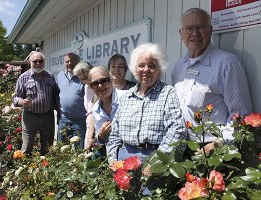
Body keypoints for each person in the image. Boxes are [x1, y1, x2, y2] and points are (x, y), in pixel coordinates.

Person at [172, 8, 252, 153]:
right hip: (181, 147)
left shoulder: (227, 63)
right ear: (181, 33)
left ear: (210, 30)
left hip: (212, 149)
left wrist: (217, 144)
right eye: (189, 28)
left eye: (201, 27)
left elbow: (240, 114)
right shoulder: (178, 67)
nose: (195, 33)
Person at [106, 42, 187, 164]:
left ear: (159, 69)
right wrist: (112, 160)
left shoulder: (167, 93)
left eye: (151, 65)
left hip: (154, 157)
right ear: (135, 69)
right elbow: (115, 133)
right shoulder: (127, 96)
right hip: (124, 159)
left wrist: (155, 163)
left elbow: (177, 130)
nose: (146, 70)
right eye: (141, 65)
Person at [13, 51, 60, 156]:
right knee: (27, 146)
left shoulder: (50, 76)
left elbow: (56, 94)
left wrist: (59, 110)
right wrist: (22, 102)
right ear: (30, 62)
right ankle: (25, 170)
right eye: (35, 61)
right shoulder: (23, 78)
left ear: (44, 62)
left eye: (41, 61)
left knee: (47, 146)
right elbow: (16, 97)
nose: (38, 63)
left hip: (47, 116)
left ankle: (45, 169)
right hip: (30, 116)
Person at [88, 66, 126, 148]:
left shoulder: (126, 97)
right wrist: (101, 136)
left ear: (111, 81)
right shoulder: (96, 109)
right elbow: (101, 140)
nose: (100, 86)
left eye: (104, 81)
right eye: (95, 83)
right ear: (91, 87)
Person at [56, 53, 86, 148]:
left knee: (79, 150)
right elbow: (56, 93)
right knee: (61, 149)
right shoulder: (60, 75)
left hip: (79, 120)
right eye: (67, 61)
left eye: (73, 61)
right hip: (64, 118)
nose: (70, 63)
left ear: (77, 62)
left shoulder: (82, 77)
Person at [73, 61, 96, 149]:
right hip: (89, 123)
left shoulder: (99, 86)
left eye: (86, 77)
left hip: (97, 124)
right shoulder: (86, 87)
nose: (86, 80)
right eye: (82, 79)